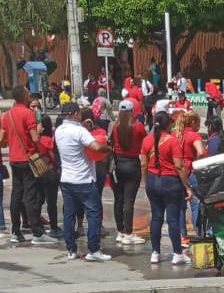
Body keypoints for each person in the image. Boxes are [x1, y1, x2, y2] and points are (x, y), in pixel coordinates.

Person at [54, 102, 113, 260]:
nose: (81, 115)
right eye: (79, 113)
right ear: (74, 114)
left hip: (66, 179)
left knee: (69, 215)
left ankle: (71, 250)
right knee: (94, 213)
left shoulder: (59, 130)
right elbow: (96, 147)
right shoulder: (79, 131)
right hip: (83, 179)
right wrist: (109, 148)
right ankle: (94, 250)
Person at [0, 86, 55, 244]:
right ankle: (37, 232)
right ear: (24, 96)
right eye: (28, 94)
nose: (30, 96)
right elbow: (35, 139)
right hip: (28, 158)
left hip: (14, 159)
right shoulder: (28, 113)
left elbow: (2, 139)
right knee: (30, 195)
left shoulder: (7, 115)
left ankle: (15, 231)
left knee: (16, 195)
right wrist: (38, 130)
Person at [141, 111, 193, 265]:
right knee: (172, 219)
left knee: (156, 217)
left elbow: (143, 164)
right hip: (170, 183)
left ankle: (155, 253)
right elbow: (179, 166)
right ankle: (177, 253)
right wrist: (187, 186)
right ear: (168, 124)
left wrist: (146, 182)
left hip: (152, 180)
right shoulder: (172, 141)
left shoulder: (147, 140)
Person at [112, 100, 148, 245]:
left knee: (118, 199)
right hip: (132, 163)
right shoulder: (138, 127)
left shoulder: (115, 127)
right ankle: (128, 232)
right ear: (133, 111)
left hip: (118, 164)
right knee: (129, 200)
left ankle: (120, 231)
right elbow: (144, 143)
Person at [178, 112, 204, 240]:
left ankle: (183, 236)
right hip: (191, 172)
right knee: (195, 206)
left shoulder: (177, 134)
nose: (200, 125)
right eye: (198, 122)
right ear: (193, 122)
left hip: (178, 172)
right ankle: (199, 234)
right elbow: (200, 151)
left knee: (180, 207)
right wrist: (195, 162)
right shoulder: (194, 135)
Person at [35, 115, 61, 238]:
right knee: (51, 202)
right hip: (49, 172)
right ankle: (54, 227)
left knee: (39, 200)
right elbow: (53, 157)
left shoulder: (37, 139)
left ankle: (38, 225)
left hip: (39, 172)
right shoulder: (48, 140)